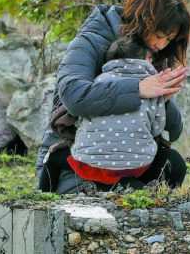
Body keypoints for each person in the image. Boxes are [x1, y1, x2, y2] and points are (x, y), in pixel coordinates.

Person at [36, 0, 190, 194]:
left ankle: (142, 203)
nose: (162, 45)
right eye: (159, 35)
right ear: (143, 21)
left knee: (173, 164)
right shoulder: (91, 40)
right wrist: (138, 89)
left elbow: (172, 132)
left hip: (129, 157)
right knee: (129, 192)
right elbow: (74, 96)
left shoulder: (152, 54)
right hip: (77, 158)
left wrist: (164, 100)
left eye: (169, 39)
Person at [67, 36, 168, 191]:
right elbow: (156, 128)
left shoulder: (97, 82)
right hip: (137, 166)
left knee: (53, 160)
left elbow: (81, 118)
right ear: (146, 59)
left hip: (88, 164)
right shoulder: (152, 87)